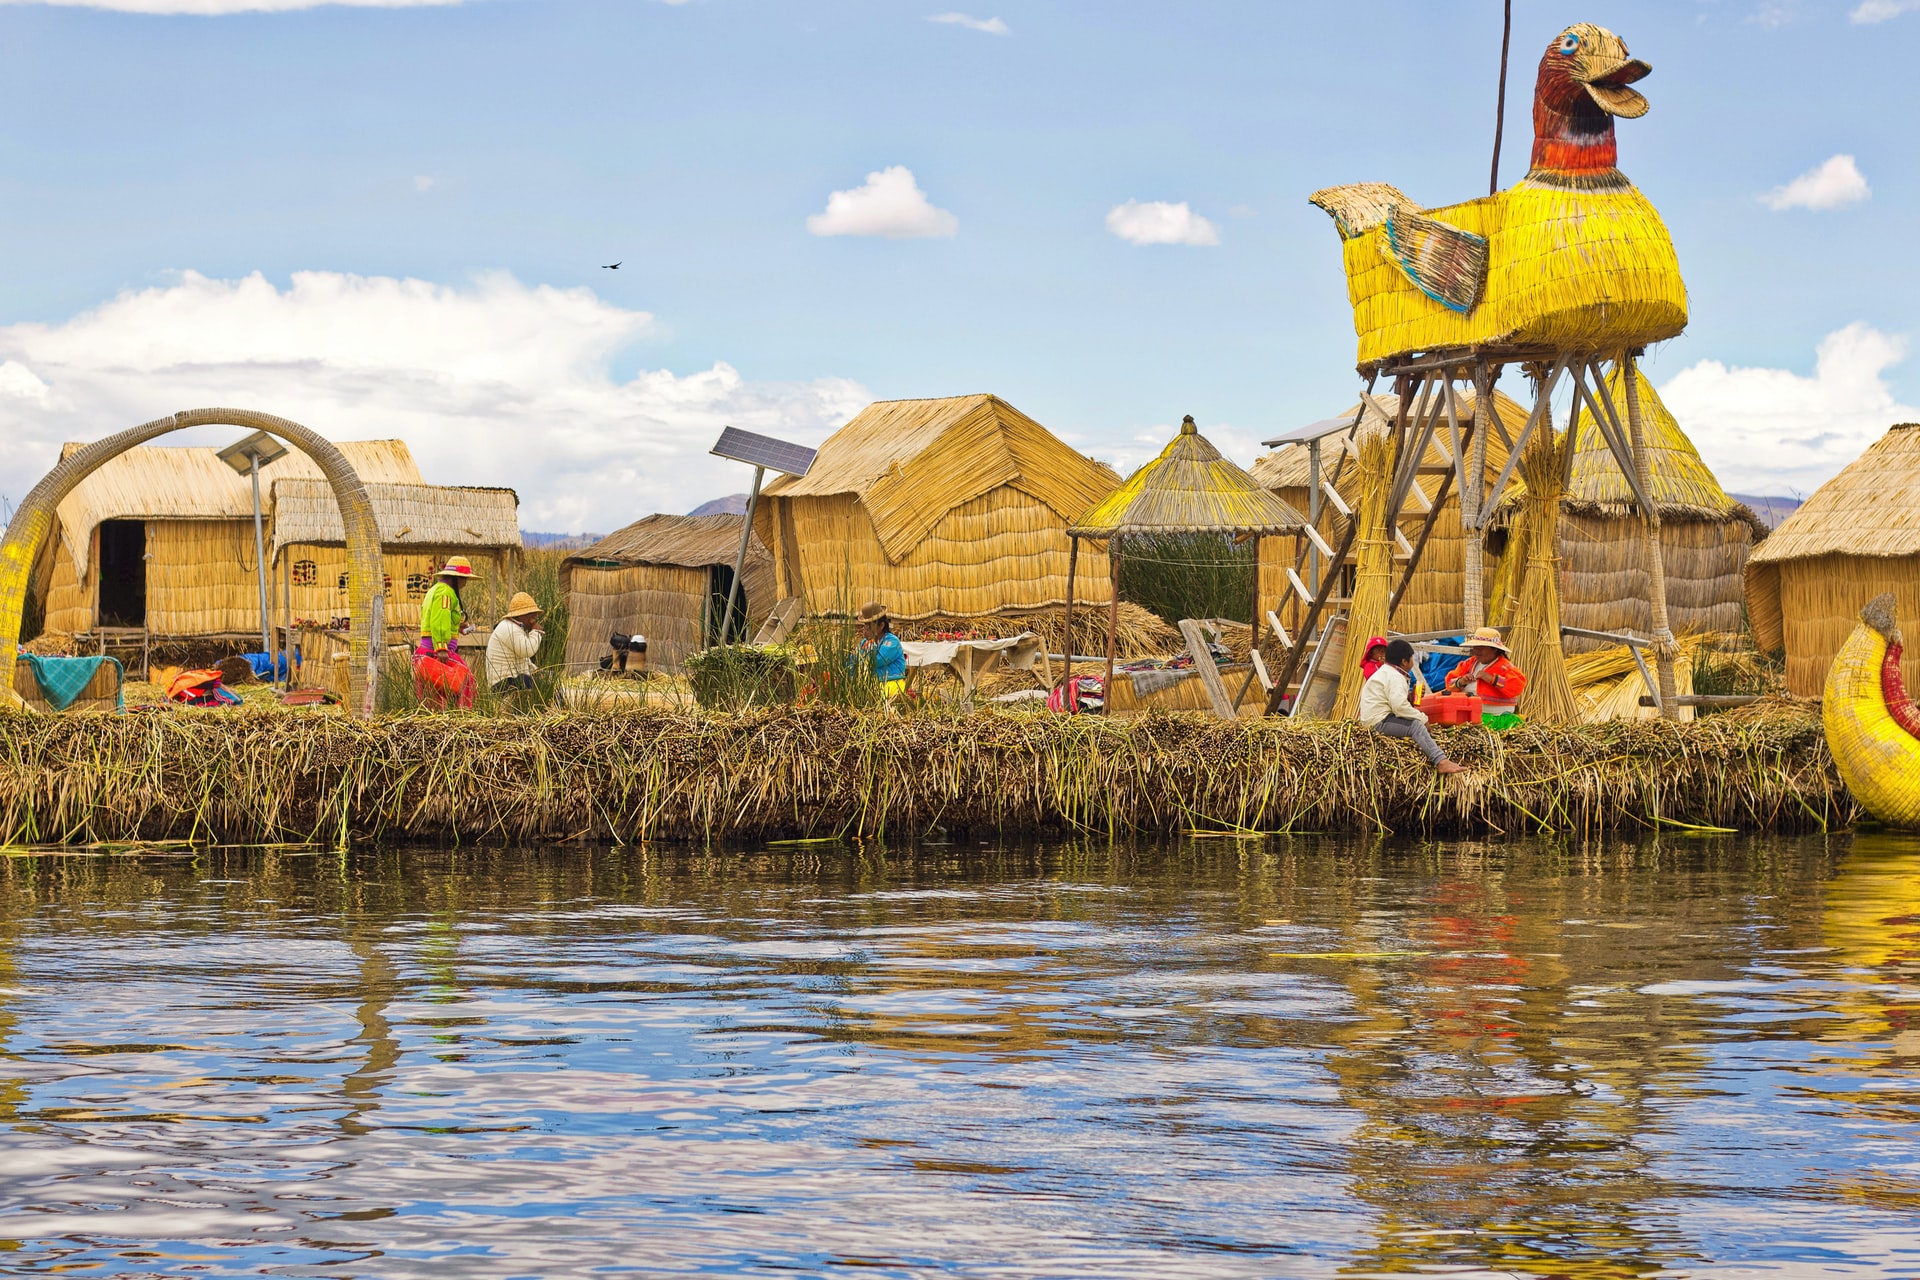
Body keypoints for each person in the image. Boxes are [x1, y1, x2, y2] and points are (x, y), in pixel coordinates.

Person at [1361, 638, 1465, 775]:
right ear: (1404, 661)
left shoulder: (1388, 672)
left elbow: (1394, 702)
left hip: (1379, 717)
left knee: (1415, 720)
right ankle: (1441, 761)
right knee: (1416, 725)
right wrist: (1423, 718)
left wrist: (1410, 697)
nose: (1412, 662)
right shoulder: (1395, 676)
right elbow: (1399, 707)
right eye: (1411, 659)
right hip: (1379, 722)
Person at [414, 556, 479, 709]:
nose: (465, 583)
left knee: (434, 696)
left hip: (428, 651)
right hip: (437, 653)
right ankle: (463, 716)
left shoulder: (435, 589)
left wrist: (458, 626)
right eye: (464, 579)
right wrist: (442, 647)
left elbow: (439, 619)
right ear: (455, 578)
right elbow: (439, 620)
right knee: (466, 681)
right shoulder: (445, 593)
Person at [1445, 625, 1528, 716]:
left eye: (1481, 648)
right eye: (1475, 647)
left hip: (1496, 716)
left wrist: (1491, 679)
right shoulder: (1468, 664)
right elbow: (1449, 684)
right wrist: (1461, 681)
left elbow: (1517, 687)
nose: (1477, 651)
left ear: (1495, 649)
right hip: (1469, 713)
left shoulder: (1505, 667)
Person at [487, 591, 545, 699]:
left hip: (512, 679)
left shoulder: (515, 627)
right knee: (526, 681)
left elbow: (523, 659)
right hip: (502, 685)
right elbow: (528, 650)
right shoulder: (509, 628)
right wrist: (536, 633)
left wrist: (536, 670)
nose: (534, 619)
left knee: (544, 679)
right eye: (531, 615)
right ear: (522, 615)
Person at [856, 601, 907, 697]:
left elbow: (877, 661)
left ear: (881, 625)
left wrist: (871, 642)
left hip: (891, 684)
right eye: (865, 625)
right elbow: (857, 660)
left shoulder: (891, 642)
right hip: (871, 685)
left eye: (869, 625)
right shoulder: (864, 642)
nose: (866, 628)